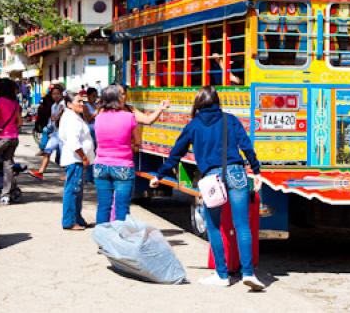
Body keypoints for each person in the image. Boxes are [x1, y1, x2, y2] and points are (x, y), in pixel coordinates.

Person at [151, 86, 264, 290]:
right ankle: (248, 273)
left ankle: (222, 275)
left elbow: (176, 153)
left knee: (213, 226)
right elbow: (247, 146)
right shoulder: (230, 120)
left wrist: (160, 175)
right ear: (217, 101)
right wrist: (256, 171)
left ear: (199, 103)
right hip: (237, 173)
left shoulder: (193, 125)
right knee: (242, 225)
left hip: (212, 178)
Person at [94, 85, 169, 224]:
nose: (124, 97)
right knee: (122, 208)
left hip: (101, 166)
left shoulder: (99, 117)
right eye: (121, 94)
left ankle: (103, 241)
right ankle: (121, 240)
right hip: (122, 166)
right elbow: (138, 140)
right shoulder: (129, 117)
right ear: (116, 98)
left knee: (103, 207)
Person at [59, 91, 95, 230]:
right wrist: (84, 157)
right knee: (73, 190)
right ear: (69, 104)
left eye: (82, 101)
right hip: (75, 160)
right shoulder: (72, 119)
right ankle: (69, 221)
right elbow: (74, 142)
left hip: (77, 160)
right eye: (78, 101)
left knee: (77, 191)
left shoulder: (74, 116)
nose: (82, 104)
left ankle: (77, 218)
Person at [0, 78, 22, 204]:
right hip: (13, 138)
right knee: (8, 165)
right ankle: (5, 195)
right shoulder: (14, 103)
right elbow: (20, 122)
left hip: (1, 138)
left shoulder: (0, 101)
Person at [31, 85, 65, 179]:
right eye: (54, 94)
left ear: (61, 94)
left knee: (64, 154)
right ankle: (40, 172)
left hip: (64, 134)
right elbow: (52, 120)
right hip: (55, 133)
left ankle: (68, 174)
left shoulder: (64, 104)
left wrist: (58, 116)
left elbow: (60, 116)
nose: (56, 96)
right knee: (47, 151)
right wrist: (49, 128)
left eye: (58, 94)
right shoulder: (53, 106)